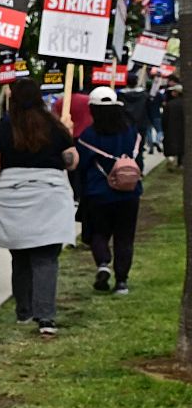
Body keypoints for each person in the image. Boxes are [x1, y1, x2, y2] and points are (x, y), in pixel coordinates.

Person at [0, 79, 78, 336]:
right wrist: (68, 134)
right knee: (46, 258)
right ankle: (45, 317)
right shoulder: (55, 127)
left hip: (13, 198)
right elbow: (71, 162)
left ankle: (24, 311)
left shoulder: (3, 128)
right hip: (50, 196)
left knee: (20, 256)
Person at [76, 87, 145, 296]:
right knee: (125, 237)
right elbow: (139, 162)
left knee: (99, 232)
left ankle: (103, 264)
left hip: (98, 193)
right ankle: (121, 282)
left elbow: (80, 166)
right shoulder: (131, 133)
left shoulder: (88, 136)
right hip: (130, 193)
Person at [164, 84, 184, 169]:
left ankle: (172, 161)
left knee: (173, 145)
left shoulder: (170, 104)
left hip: (172, 128)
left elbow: (164, 119)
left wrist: (164, 128)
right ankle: (180, 163)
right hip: (183, 128)